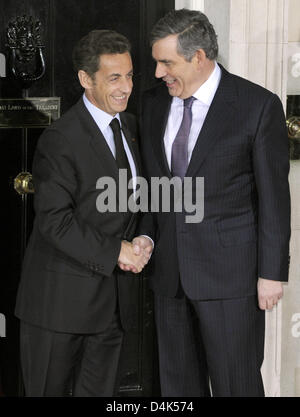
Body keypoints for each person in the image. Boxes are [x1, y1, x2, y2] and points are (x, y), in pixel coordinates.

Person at [129, 9, 291, 397]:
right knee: (178, 389)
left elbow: (274, 199)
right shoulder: (152, 105)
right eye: (155, 62)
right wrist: (147, 238)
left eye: (166, 62)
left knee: (236, 385)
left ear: (199, 56)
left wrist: (272, 273)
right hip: (170, 278)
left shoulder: (257, 106)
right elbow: (154, 188)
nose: (156, 73)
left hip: (231, 280)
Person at [15, 29, 150, 397]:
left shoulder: (133, 128)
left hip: (113, 309)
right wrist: (116, 251)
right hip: (59, 308)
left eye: (130, 75)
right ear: (85, 80)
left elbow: (139, 201)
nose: (125, 87)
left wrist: (142, 239)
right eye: (114, 78)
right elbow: (55, 222)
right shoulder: (61, 138)